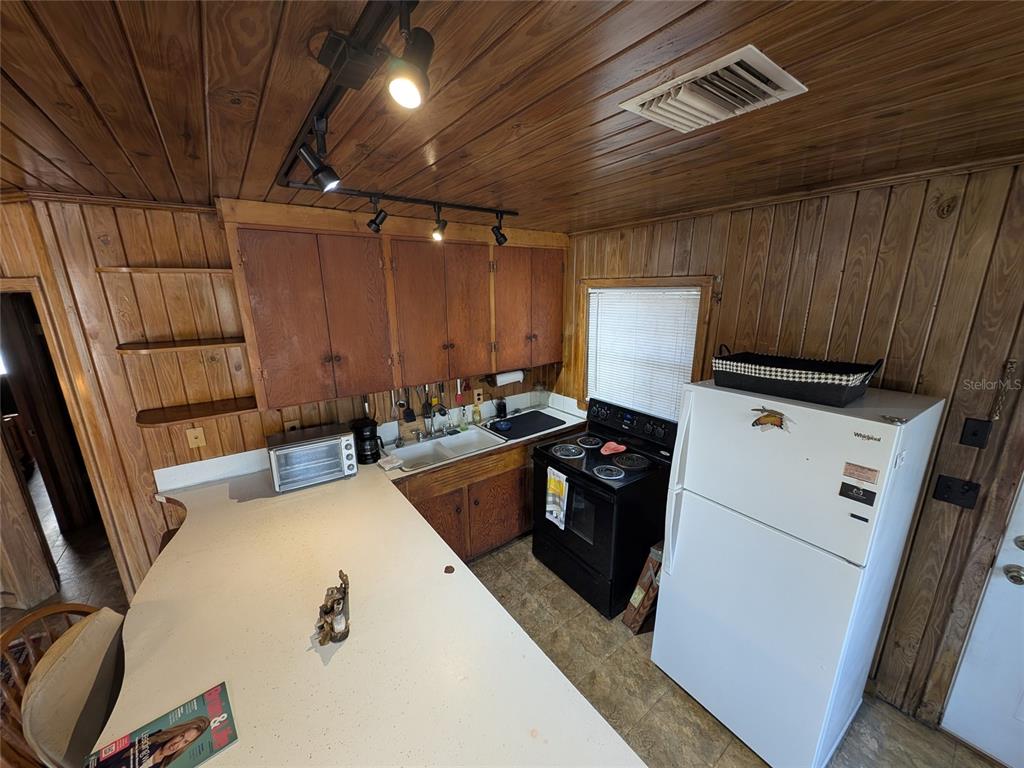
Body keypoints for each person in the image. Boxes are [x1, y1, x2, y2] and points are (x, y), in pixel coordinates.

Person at [98, 716, 210, 768]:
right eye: (181, 736)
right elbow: (115, 754)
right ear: (176, 732)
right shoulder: (152, 740)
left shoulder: (162, 765)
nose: (177, 745)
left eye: (185, 741)